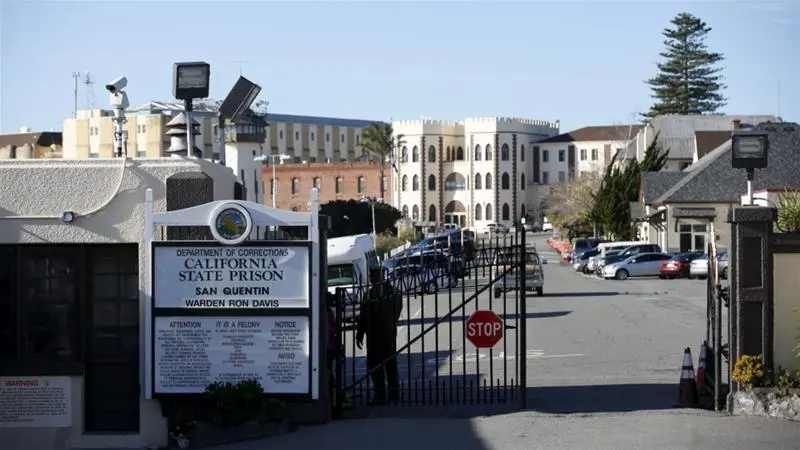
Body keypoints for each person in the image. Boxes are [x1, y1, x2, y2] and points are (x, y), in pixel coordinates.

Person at [356, 266, 401, 404]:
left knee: (387, 365)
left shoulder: (389, 293)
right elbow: (364, 317)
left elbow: (365, 316)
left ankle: (387, 393)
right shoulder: (391, 292)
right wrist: (360, 333)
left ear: (379, 276)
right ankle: (384, 393)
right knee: (379, 366)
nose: (370, 277)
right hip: (380, 334)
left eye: (372, 275)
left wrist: (361, 333)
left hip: (382, 333)